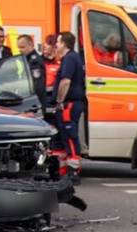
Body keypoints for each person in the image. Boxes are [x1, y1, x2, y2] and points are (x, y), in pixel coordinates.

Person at [52, 30, 86, 178]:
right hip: (72, 103)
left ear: (64, 44)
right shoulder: (74, 57)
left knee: (70, 135)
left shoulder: (69, 59)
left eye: (58, 42)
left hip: (69, 104)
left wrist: (59, 101)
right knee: (65, 136)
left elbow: (65, 81)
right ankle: (63, 170)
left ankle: (73, 170)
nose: (56, 45)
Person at [16, 33, 46, 105]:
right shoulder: (27, 59)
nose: (20, 50)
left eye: (22, 47)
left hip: (34, 102)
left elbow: (37, 85)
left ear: (31, 45)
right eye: (19, 47)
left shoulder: (34, 61)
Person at [42, 35, 60, 109]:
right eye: (45, 43)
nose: (45, 46)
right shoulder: (39, 61)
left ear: (54, 46)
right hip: (42, 96)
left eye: (48, 43)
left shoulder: (60, 62)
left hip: (53, 97)